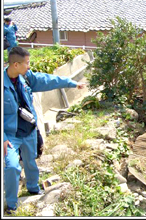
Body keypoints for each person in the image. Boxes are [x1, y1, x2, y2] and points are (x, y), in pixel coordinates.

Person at [3, 46, 86, 214]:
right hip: (10, 135)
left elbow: (48, 80)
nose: (29, 66)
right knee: (12, 167)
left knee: (31, 161)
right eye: (27, 63)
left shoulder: (26, 78)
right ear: (16, 65)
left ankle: (33, 188)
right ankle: (11, 204)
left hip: (29, 130)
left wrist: (73, 83)